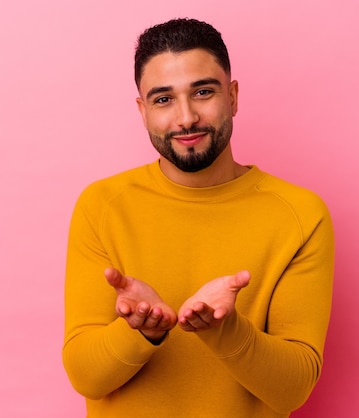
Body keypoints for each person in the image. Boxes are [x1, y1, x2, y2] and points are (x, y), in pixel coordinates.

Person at [63, 18, 334, 418]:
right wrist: (139, 330)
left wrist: (225, 330)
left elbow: (293, 389)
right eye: (163, 99)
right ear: (142, 110)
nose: (186, 118)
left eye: (203, 92)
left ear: (233, 96)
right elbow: (85, 377)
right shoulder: (101, 205)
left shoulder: (301, 214)